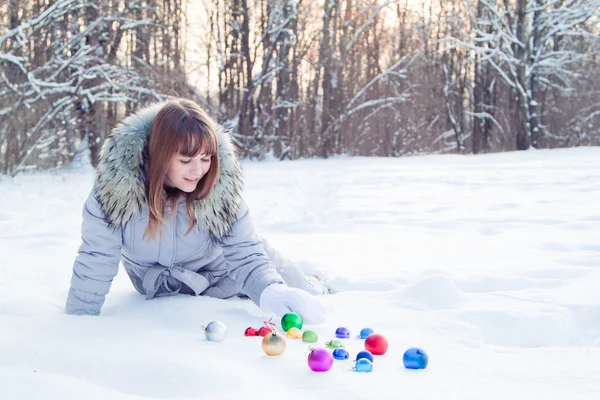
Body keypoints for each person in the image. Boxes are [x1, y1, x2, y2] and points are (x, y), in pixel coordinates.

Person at [65, 98, 327, 324]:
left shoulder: (219, 188)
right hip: (160, 285)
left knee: (270, 259)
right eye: (185, 160)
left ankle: (307, 284)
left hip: (223, 275)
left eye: (205, 158)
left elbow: (246, 253)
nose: (198, 171)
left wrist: (273, 292)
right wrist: (79, 321)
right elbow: (96, 258)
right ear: (160, 154)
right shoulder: (116, 191)